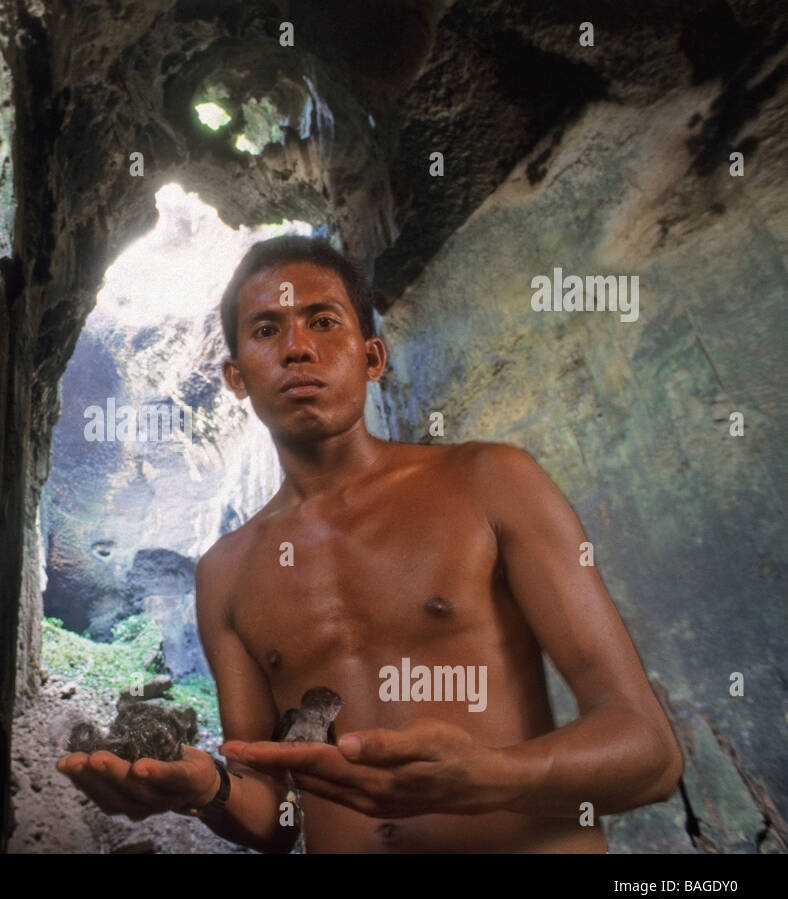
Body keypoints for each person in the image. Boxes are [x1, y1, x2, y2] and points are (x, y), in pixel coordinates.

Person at [57, 235, 683, 852]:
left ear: (372, 357)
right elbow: (275, 817)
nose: (298, 348)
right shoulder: (225, 572)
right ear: (236, 376)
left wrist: (492, 777)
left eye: (322, 321)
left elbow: (650, 754)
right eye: (267, 330)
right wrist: (206, 789)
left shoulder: (491, 483)